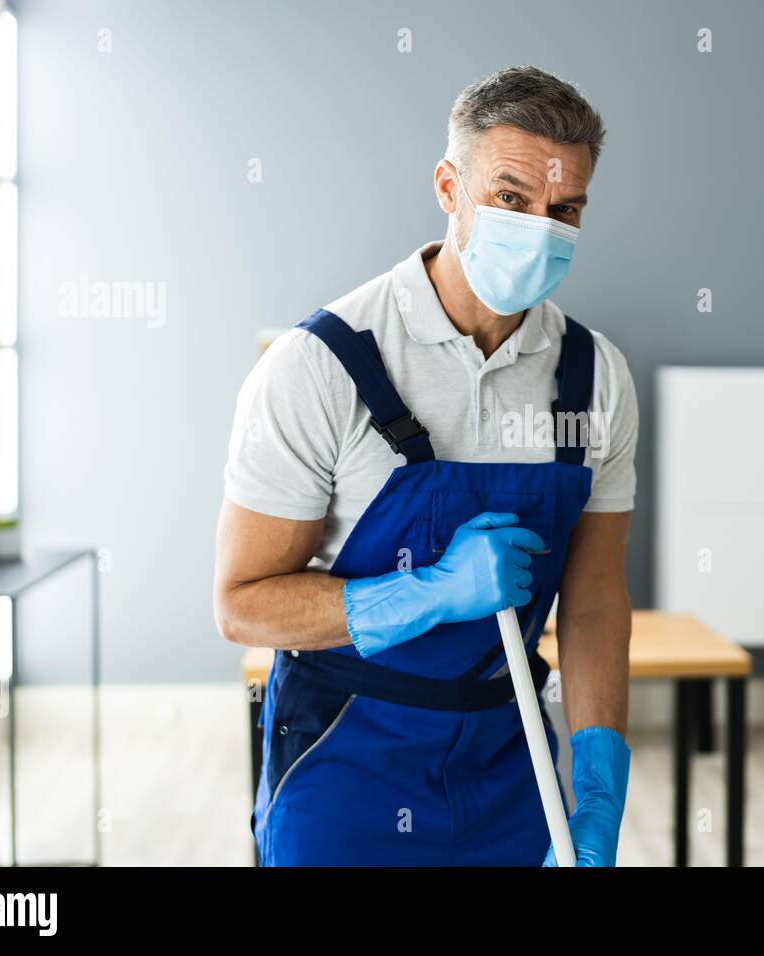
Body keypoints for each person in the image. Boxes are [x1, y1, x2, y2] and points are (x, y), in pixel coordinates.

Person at [214, 66, 637, 866]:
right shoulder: (323, 365)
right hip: (344, 765)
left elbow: (592, 606)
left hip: (512, 771)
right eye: (511, 198)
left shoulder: (596, 378)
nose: (541, 228)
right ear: (450, 186)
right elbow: (243, 606)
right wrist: (429, 593)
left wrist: (601, 788)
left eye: (566, 209)